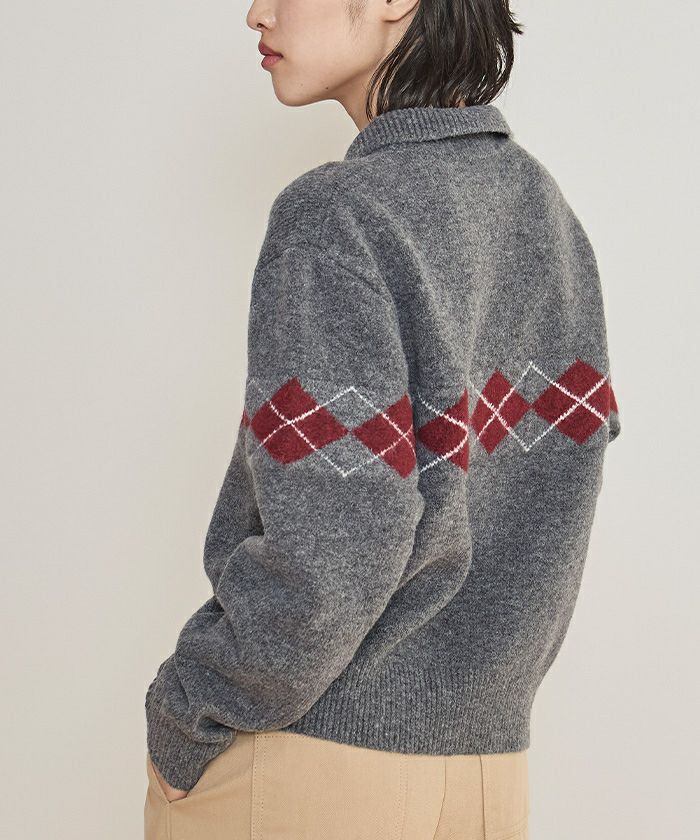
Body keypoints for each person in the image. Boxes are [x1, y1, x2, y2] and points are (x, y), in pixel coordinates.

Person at [144, 1, 622, 838]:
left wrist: (190, 706)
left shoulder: (338, 213)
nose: (257, 13)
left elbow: (333, 551)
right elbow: (554, 509)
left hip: (310, 769)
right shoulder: (541, 208)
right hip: (487, 778)